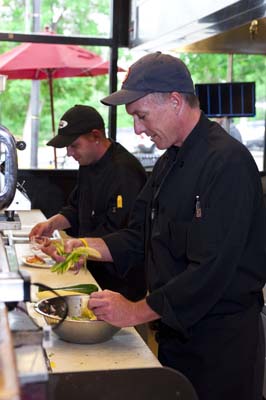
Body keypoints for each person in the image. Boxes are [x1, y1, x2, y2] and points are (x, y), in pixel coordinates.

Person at [43, 53, 266, 400]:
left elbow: (209, 271)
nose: (138, 130)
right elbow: (139, 235)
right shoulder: (169, 162)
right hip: (175, 334)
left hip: (219, 344)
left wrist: (134, 310)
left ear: (175, 102)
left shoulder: (228, 163)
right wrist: (80, 246)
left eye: (141, 116)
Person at [29, 104, 147, 301]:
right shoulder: (88, 163)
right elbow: (77, 207)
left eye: (74, 145)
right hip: (91, 273)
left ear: (96, 136)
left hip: (121, 285)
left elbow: (125, 238)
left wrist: (67, 247)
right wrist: (51, 224)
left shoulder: (124, 172)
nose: (69, 153)